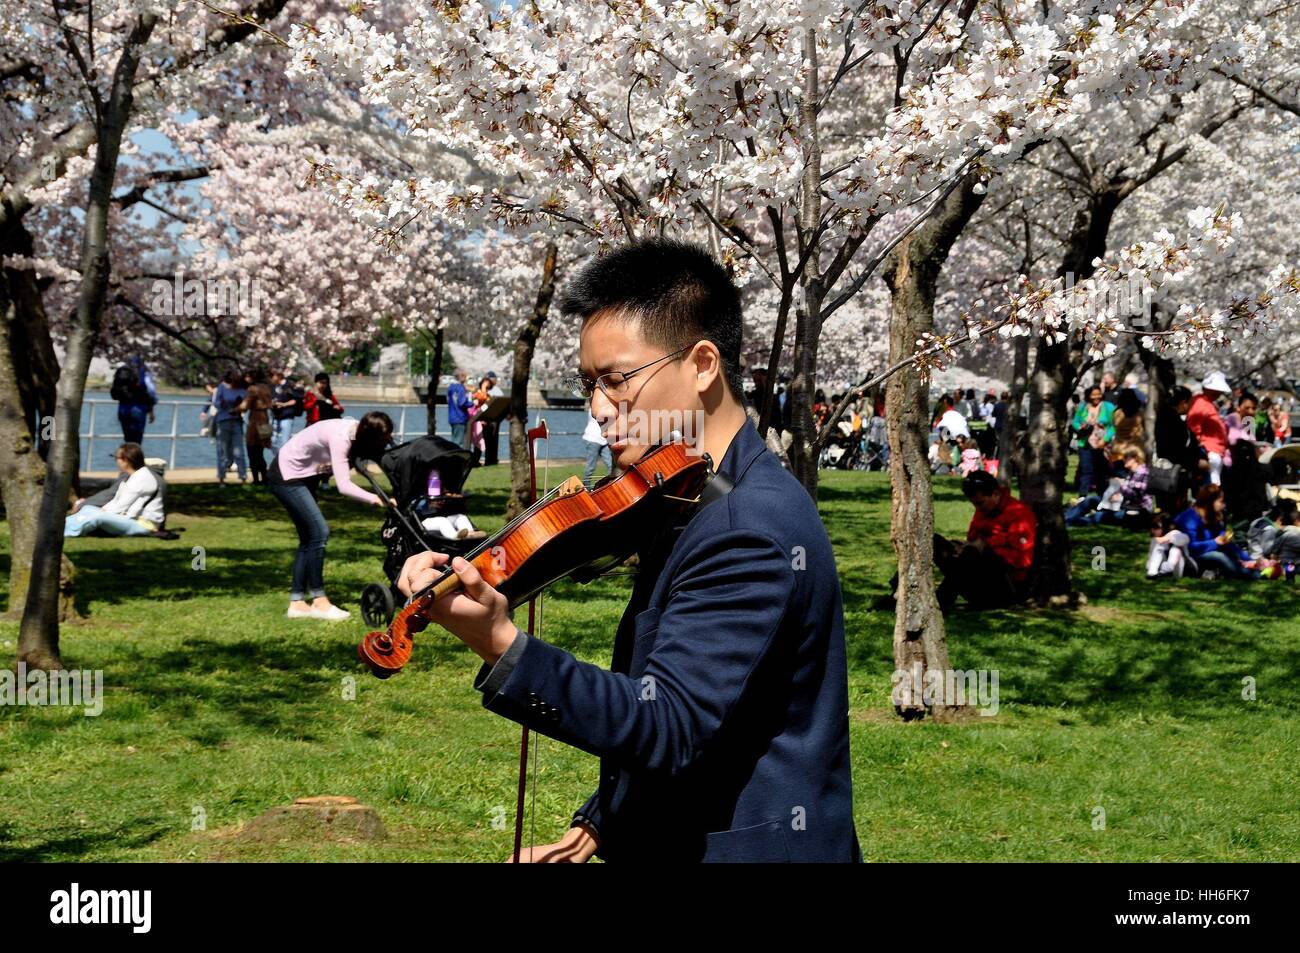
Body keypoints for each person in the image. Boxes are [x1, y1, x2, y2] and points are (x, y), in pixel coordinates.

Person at [395, 239, 858, 863]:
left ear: (701, 364)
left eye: (616, 382)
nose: (598, 412)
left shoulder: (748, 526)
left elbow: (668, 723)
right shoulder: (691, 495)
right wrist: (601, 824)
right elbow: (712, 708)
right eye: (589, 384)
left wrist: (500, 642)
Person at [268, 412, 395, 620]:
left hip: (306, 475)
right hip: (286, 475)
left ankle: (297, 604)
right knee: (319, 532)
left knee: (308, 539)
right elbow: (344, 486)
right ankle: (319, 602)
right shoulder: (341, 437)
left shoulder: (359, 433)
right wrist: (376, 499)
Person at [935, 470, 1036, 611]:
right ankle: (904, 591)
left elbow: (1022, 559)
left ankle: (941, 601)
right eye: (974, 504)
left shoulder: (1019, 514)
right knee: (934, 542)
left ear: (995, 494)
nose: (978, 508)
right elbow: (972, 539)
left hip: (1006, 585)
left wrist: (987, 546)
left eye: (980, 503)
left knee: (974, 549)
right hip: (977, 574)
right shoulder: (984, 509)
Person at [65, 443, 165, 537]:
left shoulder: (142, 478)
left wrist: (102, 512)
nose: (116, 461)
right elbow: (116, 501)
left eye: (117, 458)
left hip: (143, 525)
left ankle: (67, 532)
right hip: (129, 518)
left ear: (126, 460)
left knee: (99, 517)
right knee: (88, 508)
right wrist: (102, 509)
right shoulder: (131, 476)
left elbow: (121, 506)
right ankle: (59, 525)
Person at [1172, 485, 1259, 580]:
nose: (1223, 505)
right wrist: (1215, 542)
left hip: (1208, 551)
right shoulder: (1190, 518)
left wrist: (1251, 560)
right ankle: (1248, 574)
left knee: (1228, 552)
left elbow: (1227, 543)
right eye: (1220, 501)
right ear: (1210, 502)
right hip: (1190, 555)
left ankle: (1251, 570)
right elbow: (1190, 547)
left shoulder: (1212, 516)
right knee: (1220, 556)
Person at [1065, 447, 1152, 526]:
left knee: (1098, 516)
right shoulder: (1131, 472)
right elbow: (1128, 491)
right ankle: (1065, 519)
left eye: (1126, 457)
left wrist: (1122, 486)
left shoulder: (1142, 472)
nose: (1123, 459)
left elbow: (1137, 495)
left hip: (1136, 511)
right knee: (1090, 500)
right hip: (1123, 504)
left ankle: (1069, 523)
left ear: (1135, 458)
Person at [1069, 385, 1115, 497]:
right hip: (1084, 443)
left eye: (1098, 394)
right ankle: (1082, 496)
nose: (1096, 397)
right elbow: (1075, 422)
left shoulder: (1108, 407)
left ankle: (1102, 497)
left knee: (1102, 472)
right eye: (1093, 395)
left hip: (1102, 445)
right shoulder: (1083, 407)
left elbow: (1114, 425)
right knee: (1086, 470)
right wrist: (1080, 427)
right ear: (1088, 395)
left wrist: (1106, 439)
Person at [1186, 371, 1231, 486]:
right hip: (1209, 452)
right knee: (1211, 489)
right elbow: (1193, 428)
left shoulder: (1207, 403)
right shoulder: (1201, 403)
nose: (1219, 393)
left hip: (1216, 453)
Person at [110, 355, 157, 445]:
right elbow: (151, 391)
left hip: (123, 408)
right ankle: (134, 457)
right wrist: (151, 410)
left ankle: (128, 457)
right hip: (139, 408)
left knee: (127, 439)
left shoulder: (123, 370)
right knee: (136, 441)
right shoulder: (143, 371)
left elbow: (116, 390)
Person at [212, 370, 248, 484]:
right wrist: (223, 405)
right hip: (223, 421)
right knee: (222, 450)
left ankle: (243, 477)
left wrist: (239, 406)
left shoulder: (242, 389)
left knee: (239, 451)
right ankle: (222, 478)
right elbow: (216, 403)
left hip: (237, 422)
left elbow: (245, 402)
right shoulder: (222, 387)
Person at [245, 377, 274, 484]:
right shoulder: (267, 389)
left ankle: (256, 479)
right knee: (260, 452)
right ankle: (264, 478)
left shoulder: (252, 389)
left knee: (252, 452)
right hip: (265, 421)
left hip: (254, 422)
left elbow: (246, 405)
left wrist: (234, 409)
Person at [1146, 512, 1191, 579]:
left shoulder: (1174, 533)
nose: (1153, 530)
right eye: (1152, 527)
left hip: (1182, 568)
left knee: (1175, 549)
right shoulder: (1156, 540)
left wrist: (1168, 539)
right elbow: (1150, 559)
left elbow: (1186, 538)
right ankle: (1152, 573)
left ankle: (1168, 568)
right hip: (1161, 569)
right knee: (1160, 546)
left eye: (1156, 527)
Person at [269, 370, 302, 451]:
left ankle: (283, 461)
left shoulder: (289, 385)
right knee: (272, 441)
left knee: (285, 442)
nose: (271, 378)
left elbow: (295, 400)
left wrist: (284, 404)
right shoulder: (273, 386)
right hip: (275, 416)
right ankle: (277, 460)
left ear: (278, 375)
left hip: (286, 416)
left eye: (272, 375)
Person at [580, 403, 612, 485]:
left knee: (610, 465)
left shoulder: (606, 407)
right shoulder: (595, 407)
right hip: (593, 439)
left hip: (603, 440)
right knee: (591, 466)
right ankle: (586, 487)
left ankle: (609, 485)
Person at [480, 371, 505, 465]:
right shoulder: (483, 390)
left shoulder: (497, 390)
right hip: (484, 419)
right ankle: (488, 459)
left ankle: (492, 459)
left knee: (493, 440)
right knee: (485, 440)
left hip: (495, 419)